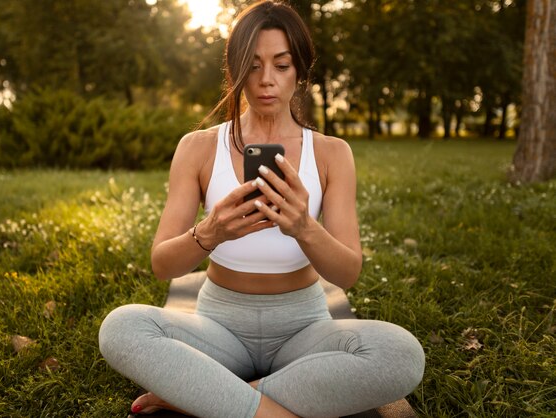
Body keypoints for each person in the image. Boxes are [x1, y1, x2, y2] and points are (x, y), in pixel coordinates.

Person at [99, 1, 425, 417]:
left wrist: (305, 228)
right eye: (253, 66)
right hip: (218, 326)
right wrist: (210, 232)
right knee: (121, 327)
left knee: (401, 354)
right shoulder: (197, 148)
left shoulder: (331, 154)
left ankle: (212, 395)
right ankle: (263, 408)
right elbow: (163, 264)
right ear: (235, 70)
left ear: (300, 71)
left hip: (303, 328)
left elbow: (348, 273)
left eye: (281, 65)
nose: (266, 80)